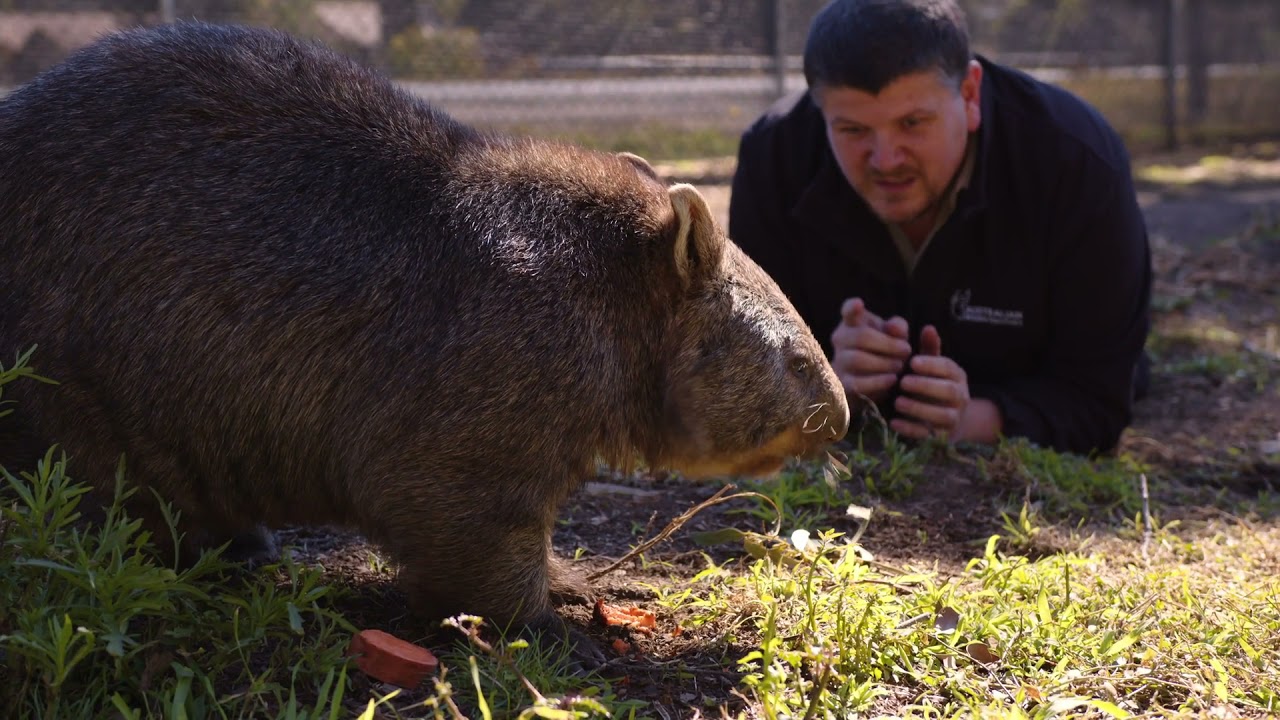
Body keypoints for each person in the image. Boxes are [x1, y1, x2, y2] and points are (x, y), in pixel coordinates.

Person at [728, 0, 1152, 456]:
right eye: (852, 130)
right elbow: (742, 387)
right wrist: (823, 385)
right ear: (820, 110)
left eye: (913, 123)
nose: (886, 159)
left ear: (970, 95)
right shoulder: (774, 159)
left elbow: (1098, 395)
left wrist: (976, 420)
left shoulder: (1076, 163)